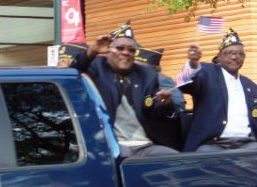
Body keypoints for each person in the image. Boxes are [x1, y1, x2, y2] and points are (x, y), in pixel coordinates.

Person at [71, 22, 179, 157]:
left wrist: (166, 105)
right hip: (112, 143)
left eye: (131, 50)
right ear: (108, 50)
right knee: (126, 161)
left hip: (145, 145)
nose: (126, 53)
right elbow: (74, 69)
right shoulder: (96, 67)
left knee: (175, 158)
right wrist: (92, 51)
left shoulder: (147, 75)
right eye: (120, 48)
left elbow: (159, 114)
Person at [180, 29, 257, 152]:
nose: (234, 57)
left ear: (244, 57)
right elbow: (184, 86)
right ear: (219, 56)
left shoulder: (251, 86)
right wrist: (193, 65)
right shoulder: (207, 73)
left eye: (239, 53)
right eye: (229, 53)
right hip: (212, 144)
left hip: (247, 143)